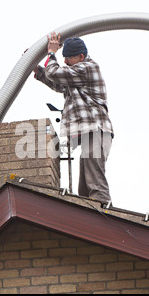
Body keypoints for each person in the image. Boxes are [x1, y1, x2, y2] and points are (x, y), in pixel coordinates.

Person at [34, 32, 114, 206]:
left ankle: (108, 219)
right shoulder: (76, 74)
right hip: (90, 132)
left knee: (96, 185)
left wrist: (51, 53)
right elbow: (58, 83)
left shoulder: (88, 67)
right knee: (85, 189)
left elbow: (55, 73)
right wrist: (38, 70)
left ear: (81, 56)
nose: (65, 61)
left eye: (68, 58)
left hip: (96, 130)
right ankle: (91, 217)